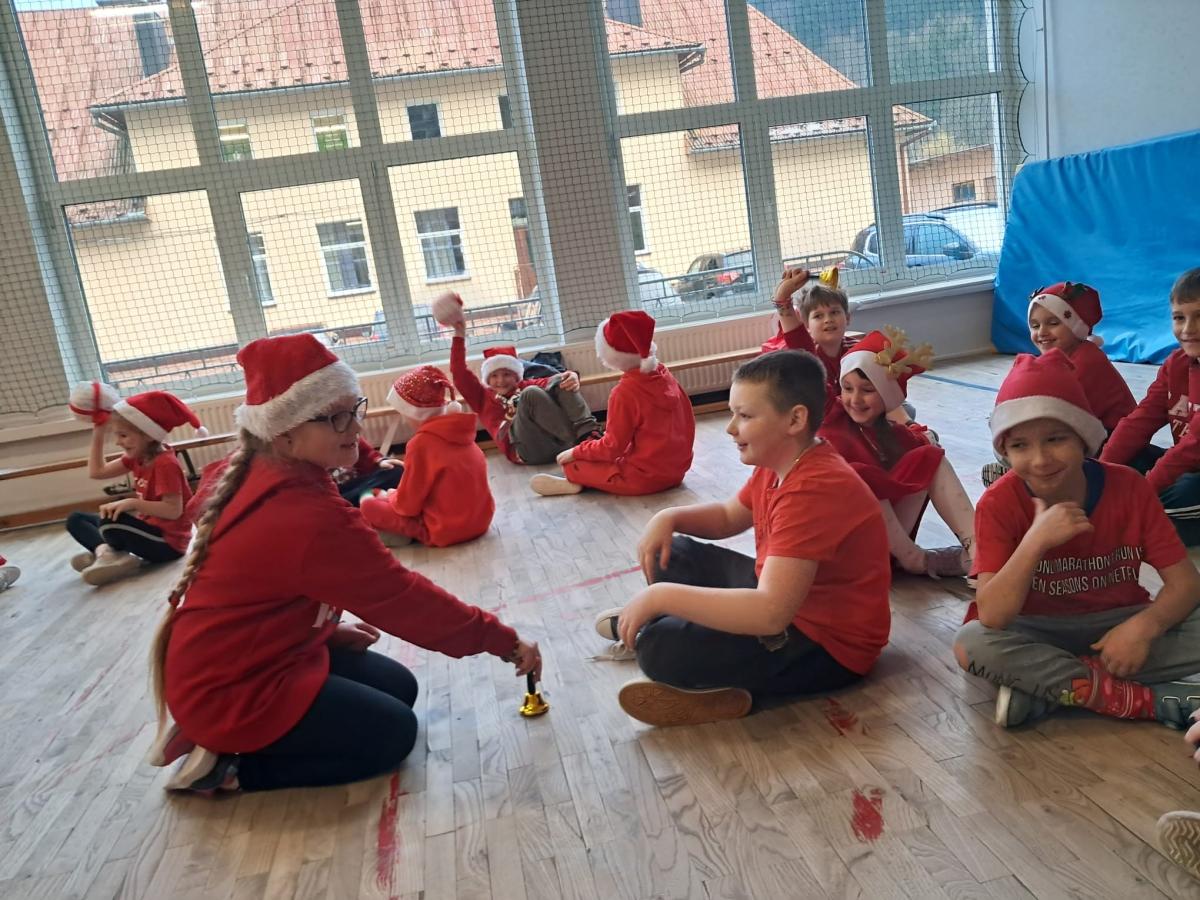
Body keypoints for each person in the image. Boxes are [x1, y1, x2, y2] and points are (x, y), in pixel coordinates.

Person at [147, 334, 540, 793]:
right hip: (232, 691)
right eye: (335, 417)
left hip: (254, 660)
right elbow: (404, 600)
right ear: (285, 432)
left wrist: (323, 634)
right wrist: (503, 641)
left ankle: (227, 737)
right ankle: (227, 767)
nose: (355, 426)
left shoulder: (270, 472)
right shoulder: (304, 515)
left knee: (400, 688)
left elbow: (259, 592)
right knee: (391, 736)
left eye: (354, 409)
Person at [592, 350, 891, 727]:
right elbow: (728, 517)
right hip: (786, 601)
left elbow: (771, 614)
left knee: (658, 648)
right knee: (672, 552)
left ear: (795, 419)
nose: (731, 428)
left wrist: (660, 597)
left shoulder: (814, 488)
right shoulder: (781, 462)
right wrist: (668, 517)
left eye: (745, 416)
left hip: (826, 646)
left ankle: (697, 670)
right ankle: (662, 623)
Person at [954, 350, 1200, 729]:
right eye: (1020, 446)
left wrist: (1143, 628)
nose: (1040, 460)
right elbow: (994, 615)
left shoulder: (1129, 488)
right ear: (1004, 452)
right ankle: (1146, 700)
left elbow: (1185, 584)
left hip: (1118, 624)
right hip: (1036, 631)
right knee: (971, 644)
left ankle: (1049, 686)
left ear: (1084, 439)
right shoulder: (998, 503)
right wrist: (1035, 541)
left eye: (1055, 439)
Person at [820, 329, 975, 578]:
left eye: (867, 390)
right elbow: (802, 360)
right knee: (858, 474)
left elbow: (926, 445)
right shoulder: (832, 413)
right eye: (847, 388)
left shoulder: (896, 435)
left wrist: (921, 434)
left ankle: (980, 551)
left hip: (883, 547)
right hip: (842, 549)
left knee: (931, 457)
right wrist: (785, 309)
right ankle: (914, 558)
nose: (854, 399)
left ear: (886, 395)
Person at [982, 281, 1135, 486]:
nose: (1042, 332)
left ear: (1075, 327)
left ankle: (1021, 481)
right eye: (1035, 326)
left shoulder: (1086, 360)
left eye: (1053, 323)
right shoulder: (1060, 359)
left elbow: (1061, 415)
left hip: (1113, 443)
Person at [531, 310, 695, 496]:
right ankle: (583, 480)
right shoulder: (664, 374)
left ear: (610, 354)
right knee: (596, 454)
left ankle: (576, 481)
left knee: (572, 464)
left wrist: (576, 452)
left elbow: (611, 448)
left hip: (644, 479)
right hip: (676, 472)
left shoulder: (624, 392)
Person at [1100, 268, 1200, 545]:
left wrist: (1144, 491)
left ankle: (1133, 520)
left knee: (1185, 491)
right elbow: (1139, 421)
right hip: (1188, 466)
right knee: (1118, 448)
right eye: (1179, 317)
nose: (1188, 329)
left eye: (1199, 316)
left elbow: (1193, 447)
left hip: (1192, 476)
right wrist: (1098, 474)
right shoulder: (1176, 364)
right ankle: (1140, 518)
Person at [443, 293, 599, 465]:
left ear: (516, 376)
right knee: (530, 393)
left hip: (558, 445)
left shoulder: (524, 385)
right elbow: (458, 372)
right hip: (527, 451)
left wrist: (572, 376)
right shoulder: (482, 397)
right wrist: (459, 334)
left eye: (506, 374)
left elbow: (555, 381)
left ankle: (589, 435)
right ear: (488, 378)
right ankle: (581, 444)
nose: (500, 381)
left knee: (560, 381)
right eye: (494, 376)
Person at [66, 390, 200, 586]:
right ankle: (105, 552)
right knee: (76, 519)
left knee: (110, 521)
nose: (118, 441)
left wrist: (132, 503)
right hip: (147, 532)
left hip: (167, 545)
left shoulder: (165, 464)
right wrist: (98, 432)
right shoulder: (137, 457)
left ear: (148, 435)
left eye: (123, 435)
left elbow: (173, 510)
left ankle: (109, 554)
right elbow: (97, 472)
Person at [360, 366, 494, 546]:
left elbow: (407, 506)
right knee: (382, 493)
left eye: (403, 413)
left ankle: (409, 533)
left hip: (447, 531)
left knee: (368, 502)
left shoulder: (421, 444)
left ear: (414, 413)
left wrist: (391, 496)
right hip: (481, 522)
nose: (404, 419)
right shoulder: (463, 432)